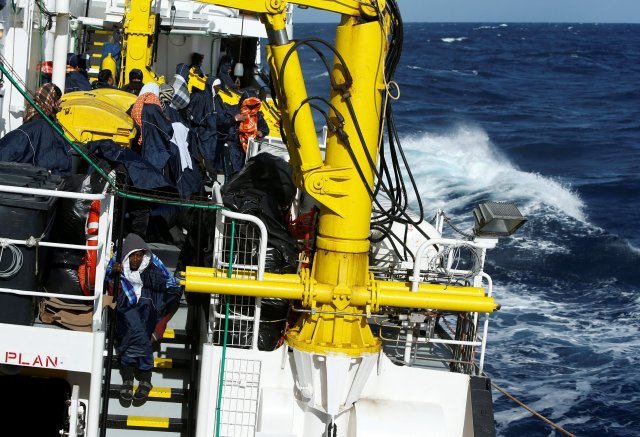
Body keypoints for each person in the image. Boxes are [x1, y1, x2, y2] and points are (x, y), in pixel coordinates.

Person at [105, 233, 182, 402]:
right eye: (132, 255)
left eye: (139, 255)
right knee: (134, 333)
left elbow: (168, 291)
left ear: (144, 256)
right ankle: (145, 379)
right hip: (126, 315)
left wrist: (157, 328)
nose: (135, 259)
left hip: (147, 315)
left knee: (137, 333)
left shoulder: (153, 271)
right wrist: (112, 274)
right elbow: (107, 284)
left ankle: (129, 380)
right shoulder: (118, 267)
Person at [0, 83, 72, 176]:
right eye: (58, 99)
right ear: (51, 98)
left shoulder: (33, 117)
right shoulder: (46, 123)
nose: (60, 103)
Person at [225, 89, 269, 175]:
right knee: (234, 171)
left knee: (246, 172)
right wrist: (235, 119)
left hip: (249, 147)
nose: (250, 107)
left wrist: (260, 132)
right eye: (248, 104)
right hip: (233, 145)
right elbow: (221, 123)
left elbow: (265, 129)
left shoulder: (257, 115)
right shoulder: (232, 110)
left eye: (253, 105)